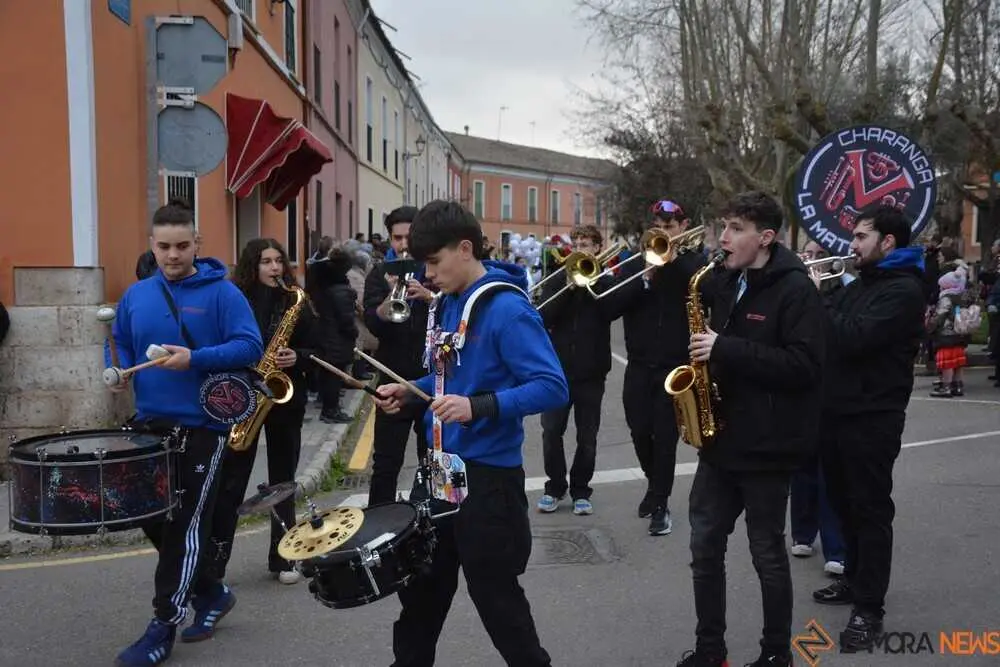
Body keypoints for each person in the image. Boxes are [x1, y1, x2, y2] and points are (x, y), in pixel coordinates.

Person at [374, 200, 568, 667]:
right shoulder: (445, 303)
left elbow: (552, 387)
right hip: (438, 472)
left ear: (465, 249)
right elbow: (449, 380)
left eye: (435, 262)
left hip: (488, 480)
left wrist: (477, 407)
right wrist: (411, 390)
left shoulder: (507, 309)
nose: (428, 273)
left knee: (498, 602)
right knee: (419, 597)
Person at [105, 198, 264, 666]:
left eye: (181, 245)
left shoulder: (223, 293)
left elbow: (250, 346)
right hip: (149, 424)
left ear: (197, 243)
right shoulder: (136, 295)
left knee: (185, 526)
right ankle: (211, 592)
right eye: (164, 247)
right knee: (150, 514)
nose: (172, 255)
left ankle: (162, 625)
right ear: (151, 246)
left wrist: (193, 358)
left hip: (203, 427)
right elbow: (121, 345)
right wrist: (115, 370)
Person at [675, 191, 825, 667]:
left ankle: (776, 654)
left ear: (765, 237)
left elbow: (804, 365)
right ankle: (709, 650)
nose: (723, 237)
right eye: (723, 226)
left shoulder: (795, 289)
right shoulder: (724, 278)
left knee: (767, 554)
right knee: (704, 547)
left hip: (768, 446)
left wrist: (725, 349)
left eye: (735, 228)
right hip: (721, 439)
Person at [176, 238, 318, 640]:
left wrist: (300, 357)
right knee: (230, 483)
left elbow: (324, 347)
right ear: (251, 266)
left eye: (278, 261)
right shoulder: (234, 298)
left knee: (282, 480)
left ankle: (284, 557)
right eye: (265, 261)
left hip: (284, 399)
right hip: (242, 397)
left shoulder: (296, 301)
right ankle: (217, 566)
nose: (274, 267)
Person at [808, 205, 926, 652]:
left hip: (872, 416)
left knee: (870, 510)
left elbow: (852, 336)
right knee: (840, 501)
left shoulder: (904, 289)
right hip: (837, 410)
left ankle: (869, 608)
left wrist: (817, 297)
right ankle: (855, 581)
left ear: (887, 242)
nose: (851, 245)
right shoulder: (866, 281)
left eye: (860, 237)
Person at [602, 198, 707, 536]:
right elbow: (610, 308)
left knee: (665, 437)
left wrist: (672, 263)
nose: (664, 231)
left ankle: (660, 503)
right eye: (658, 226)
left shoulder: (694, 263)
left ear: (683, 226)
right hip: (638, 364)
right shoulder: (637, 264)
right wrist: (644, 278)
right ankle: (653, 485)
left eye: (670, 226)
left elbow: (707, 294)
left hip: (674, 365)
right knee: (638, 430)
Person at [536, 224, 616, 516]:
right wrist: (569, 286)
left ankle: (581, 489)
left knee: (588, 436)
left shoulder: (606, 278)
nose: (581, 248)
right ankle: (554, 487)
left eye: (587, 243)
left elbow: (612, 311)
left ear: (597, 247)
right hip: (557, 371)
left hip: (592, 372)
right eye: (577, 242)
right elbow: (544, 316)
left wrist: (594, 282)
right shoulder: (558, 276)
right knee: (551, 432)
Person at [364, 206, 436, 506]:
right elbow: (372, 324)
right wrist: (388, 300)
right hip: (392, 379)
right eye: (397, 238)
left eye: (409, 237)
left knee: (430, 461)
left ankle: (430, 524)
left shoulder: (434, 271)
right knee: (384, 465)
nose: (403, 244)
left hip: (429, 382)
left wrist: (430, 297)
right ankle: (378, 528)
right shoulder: (379, 273)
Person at [790, 240, 847, 576]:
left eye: (818, 256)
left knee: (830, 474)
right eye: (807, 255)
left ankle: (836, 548)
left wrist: (815, 296)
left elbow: (836, 332)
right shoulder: (796, 290)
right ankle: (802, 533)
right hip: (803, 390)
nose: (811, 261)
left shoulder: (842, 291)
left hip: (834, 390)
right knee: (802, 468)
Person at [308, 247, 358, 423]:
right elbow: (346, 320)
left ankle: (327, 404)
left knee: (327, 374)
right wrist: (354, 332)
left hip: (325, 337)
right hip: (337, 340)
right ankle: (331, 410)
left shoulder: (323, 285)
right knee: (334, 377)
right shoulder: (341, 291)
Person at [928, 262, 971, 397]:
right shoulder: (962, 297)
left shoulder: (946, 298)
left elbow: (940, 315)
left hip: (946, 335)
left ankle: (946, 387)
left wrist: (930, 325)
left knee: (947, 364)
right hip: (960, 334)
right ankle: (958, 386)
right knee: (958, 363)